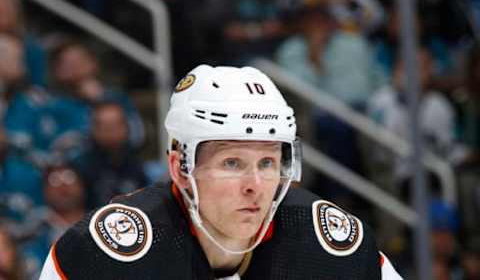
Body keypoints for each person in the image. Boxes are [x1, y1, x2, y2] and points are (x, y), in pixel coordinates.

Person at [39, 65, 402, 279]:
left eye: (268, 163)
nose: (255, 186)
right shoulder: (109, 254)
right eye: (232, 163)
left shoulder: (329, 245)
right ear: (180, 168)